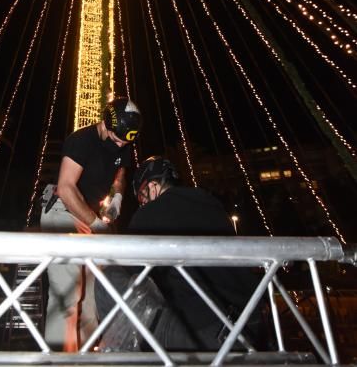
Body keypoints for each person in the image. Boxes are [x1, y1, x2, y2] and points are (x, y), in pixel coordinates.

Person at [95, 156, 269, 352]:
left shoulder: (150, 213)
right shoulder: (212, 204)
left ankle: (119, 357)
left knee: (107, 277)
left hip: (201, 332)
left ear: (153, 186)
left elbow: (132, 273)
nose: (144, 203)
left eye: (143, 196)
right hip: (247, 328)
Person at [40, 96, 142, 351]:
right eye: (118, 138)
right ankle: (59, 360)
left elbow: (121, 171)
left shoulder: (123, 142)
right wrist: (96, 225)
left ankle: (84, 358)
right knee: (67, 295)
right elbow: (65, 188)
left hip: (88, 215)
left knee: (89, 299)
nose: (121, 145)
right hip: (63, 212)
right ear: (107, 123)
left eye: (126, 141)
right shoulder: (81, 140)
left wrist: (118, 195)